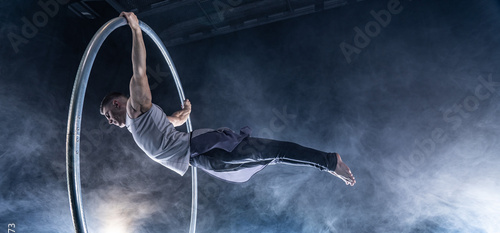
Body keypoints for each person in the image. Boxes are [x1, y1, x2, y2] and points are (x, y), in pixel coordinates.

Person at [100, 12, 356, 186]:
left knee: (272, 151)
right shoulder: (142, 123)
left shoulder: (136, 107)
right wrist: (183, 113)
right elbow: (172, 122)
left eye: (107, 115)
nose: (109, 122)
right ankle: (328, 162)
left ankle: (330, 161)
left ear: (116, 103)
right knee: (269, 157)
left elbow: (140, 70)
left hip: (203, 148)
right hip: (200, 157)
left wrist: (135, 29)